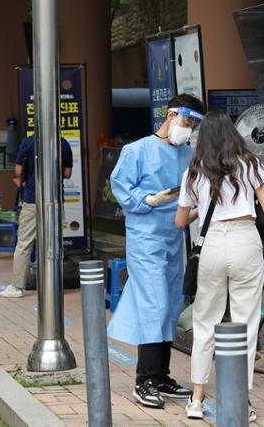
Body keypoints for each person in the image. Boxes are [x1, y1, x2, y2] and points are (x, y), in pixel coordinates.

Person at [175, 111, 264, 421]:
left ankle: (196, 399)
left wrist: (199, 211)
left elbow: (180, 220)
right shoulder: (253, 164)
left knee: (206, 322)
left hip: (213, 244)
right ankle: (241, 401)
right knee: (246, 324)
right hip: (245, 241)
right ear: (234, 134)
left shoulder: (193, 170)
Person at [108, 93, 206, 408]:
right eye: (186, 121)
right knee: (154, 304)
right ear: (171, 114)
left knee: (170, 306)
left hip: (173, 238)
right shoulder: (136, 150)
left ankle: (161, 376)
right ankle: (145, 380)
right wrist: (149, 200)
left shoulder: (186, 155)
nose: (188, 129)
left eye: (192, 125)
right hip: (146, 239)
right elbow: (121, 187)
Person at [0, 134, 73, 298]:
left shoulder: (28, 142)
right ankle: (52, 285)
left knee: (24, 243)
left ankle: (17, 286)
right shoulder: (64, 144)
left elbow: (18, 171)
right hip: (55, 201)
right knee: (52, 243)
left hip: (33, 199)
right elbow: (67, 174)